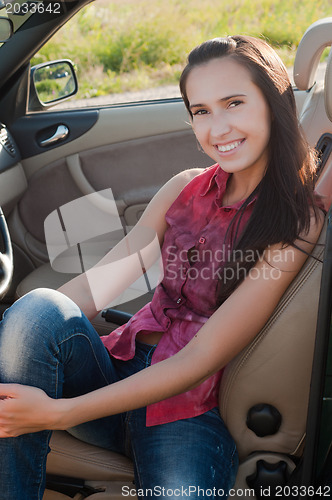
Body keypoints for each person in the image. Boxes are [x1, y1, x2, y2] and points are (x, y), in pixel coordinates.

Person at [0, 35, 324, 500]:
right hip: (119, 366)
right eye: (201, 111)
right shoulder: (185, 187)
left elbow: (199, 359)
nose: (218, 127)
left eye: (234, 102)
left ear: (273, 102)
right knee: (35, 310)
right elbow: (102, 283)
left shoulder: (297, 219)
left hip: (190, 406)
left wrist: (60, 414)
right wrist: (19, 326)